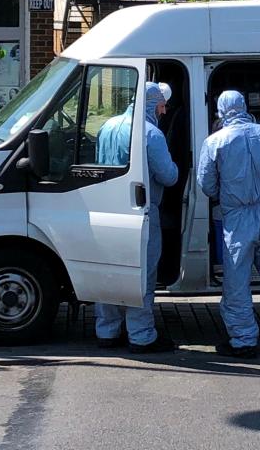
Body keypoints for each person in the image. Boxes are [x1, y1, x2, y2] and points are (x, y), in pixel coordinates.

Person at [197, 90, 260, 358]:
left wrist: (226, 194)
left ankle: (243, 341)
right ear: (243, 106)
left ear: (220, 110)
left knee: (237, 284)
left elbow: (206, 184)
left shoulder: (215, 141)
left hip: (239, 217)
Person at [95, 82, 179, 352]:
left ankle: (107, 331)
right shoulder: (151, 134)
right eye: (162, 105)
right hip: (141, 212)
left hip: (107, 211)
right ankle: (141, 335)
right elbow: (169, 175)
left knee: (109, 274)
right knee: (142, 276)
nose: (164, 110)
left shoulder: (107, 127)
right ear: (152, 104)